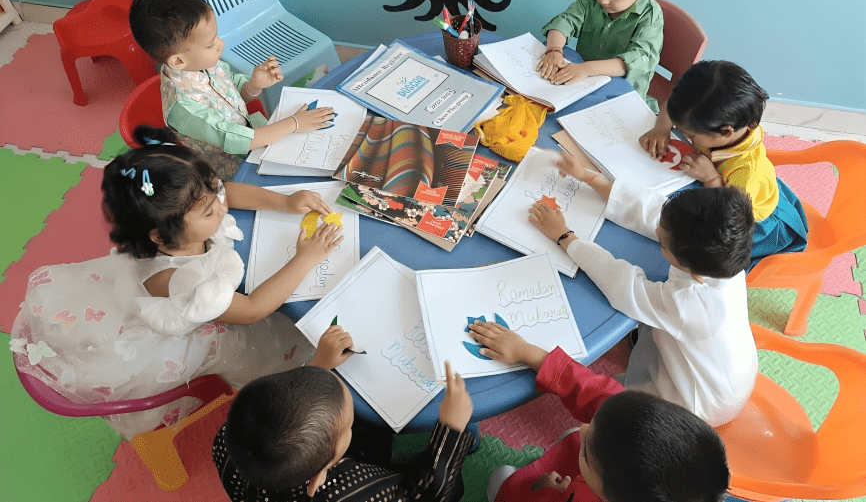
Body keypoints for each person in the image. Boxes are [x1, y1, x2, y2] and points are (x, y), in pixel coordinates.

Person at [9, 125, 343, 439]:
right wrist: (306, 258)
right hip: (176, 330)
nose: (220, 205)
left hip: (185, 293)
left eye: (214, 193)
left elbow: (224, 195)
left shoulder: (178, 215)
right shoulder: (177, 280)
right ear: (163, 237)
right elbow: (254, 310)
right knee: (279, 335)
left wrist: (283, 202)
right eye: (209, 211)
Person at [528, 152, 758, 427]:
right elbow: (654, 213)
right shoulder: (724, 254)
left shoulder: (687, 303)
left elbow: (624, 287)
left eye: (662, 242)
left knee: (610, 404)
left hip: (698, 406)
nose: (657, 231)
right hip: (730, 374)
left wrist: (565, 237)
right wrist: (589, 177)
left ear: (691, 268)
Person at [470, 321, 730, 502]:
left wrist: (544, 491)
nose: (584, 427)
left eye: (587, 453)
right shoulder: (633, 419)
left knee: (501, 476)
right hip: (576, 482)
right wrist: (528, 353)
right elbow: (593, 390)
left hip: (558, 490)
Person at [213, 325, 476, 502]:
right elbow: (426, 493)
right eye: (347, 426)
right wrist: (450, 431)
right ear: (319, 478)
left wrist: (318, 366)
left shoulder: (229, 439)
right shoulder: (355, 492)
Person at [129, 0, 334, 179]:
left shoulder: (201, 62)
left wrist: (254, 85)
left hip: (255, 133)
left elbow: (232, 90)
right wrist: (295, 123)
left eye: (216, 36)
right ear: (178, 61)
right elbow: (242, 140)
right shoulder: (184, 108)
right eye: (210, 44)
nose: (222, 44)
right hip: (234, 170)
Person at [639, 60, 808, 265]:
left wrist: (711, 178)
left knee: (696, 251)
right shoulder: (713, 116)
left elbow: (726, 217)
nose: (685, 135)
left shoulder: (746, 175)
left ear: (725, 132)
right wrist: (662, 127)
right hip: (741, 190)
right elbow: (672, 105)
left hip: (746, 221)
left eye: (691, 134)